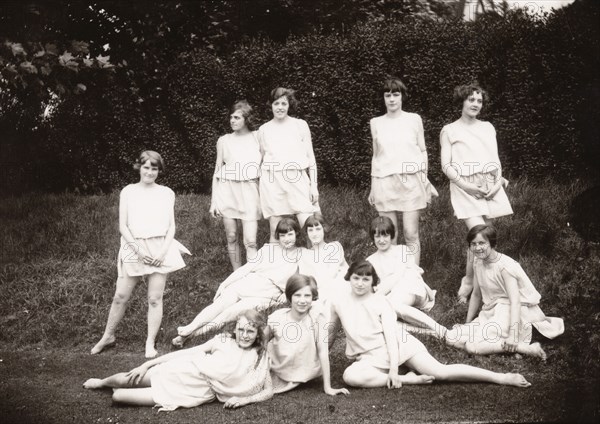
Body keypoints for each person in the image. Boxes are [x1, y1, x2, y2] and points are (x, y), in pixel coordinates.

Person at [330, 261, 532, 389]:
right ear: (349, 278)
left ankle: (501, 377)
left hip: (399, 346)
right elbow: (330, 332)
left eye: (366, 279)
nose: (360, 283)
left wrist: (393, 369)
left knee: (440, 372)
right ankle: (408, 379)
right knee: (350, 376)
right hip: (368, 356)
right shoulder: (338, 301)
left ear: (373, 282)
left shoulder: (382, 302)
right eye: (356, 278)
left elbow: (392, 338)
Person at [91, 151, 191, 358]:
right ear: (139, 167)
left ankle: (149, 343)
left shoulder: (167, 193)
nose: (150, 172)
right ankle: (108, 336)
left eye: (154, 168)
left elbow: (171, 227)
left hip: (160, 248)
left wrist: (163, 252)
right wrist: (138, 250)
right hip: (133, 246)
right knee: (120, 296)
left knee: (154, 298)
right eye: (146, 167)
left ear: (159, 171)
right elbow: (123, 226)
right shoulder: (128, 191)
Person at [84, 310, 273, 411]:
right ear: (235, 329)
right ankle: (101, 382)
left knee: (118, 397)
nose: (244, 335)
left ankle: (123, 390)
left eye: (250, 331)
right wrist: (147, 364)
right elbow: (187, 353)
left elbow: (268, 391)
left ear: (257, 334)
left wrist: (243, 401)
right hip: (185, 370)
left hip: (197, 391)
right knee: (126, 379)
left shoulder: (260, 357)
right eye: (241, 330)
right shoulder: (222, 341)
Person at [171, 217, 302, 348]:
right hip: (248, 283)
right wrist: (224, 284)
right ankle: (190, 327)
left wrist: (286, 294)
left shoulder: (301, 256)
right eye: (282, 235)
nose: (286, 239)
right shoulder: (268, 249)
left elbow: (299, 283)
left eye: (290, 234)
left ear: (296, 233)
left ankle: (189, 336)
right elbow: (245, 269)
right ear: (278, 237)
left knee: (227, 314)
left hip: (265, 294)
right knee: (219, 305)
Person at [445, 225, 564, 359]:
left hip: (511, 312)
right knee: (452, 337)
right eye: (473, 244)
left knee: (472, 345)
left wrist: (513, 335)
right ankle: (511, 347)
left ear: (492, 243)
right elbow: (476, 294)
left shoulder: (504, 267)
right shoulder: (477, 262)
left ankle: (524, 348)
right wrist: (468, 322)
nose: (478, 248)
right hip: (491, 311)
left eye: (482, 243)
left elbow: (515, 301)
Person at [440, 83, 512, 302]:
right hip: (465, 187)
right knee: (478, 232)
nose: (475, 104)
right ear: (462, 102)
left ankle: (486, 284)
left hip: (490, 184)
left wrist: (497, 183)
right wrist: (467, 186)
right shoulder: (449, 130)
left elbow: (495, 160)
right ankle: (469, 282)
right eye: (471, 99)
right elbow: (446, 166)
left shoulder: (488, 127)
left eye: (479, 101)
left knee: (485, 237)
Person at [368, 78, 438, 266]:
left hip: (411, 182)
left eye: (396, 94)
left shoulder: (414, 119)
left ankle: (413, 275)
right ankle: (391, 273)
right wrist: (373, 187)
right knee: (390, 233)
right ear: (383, 98)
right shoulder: (375, 122)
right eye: (387, 95)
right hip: (384, 182)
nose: (391, 99)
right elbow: (376, 157)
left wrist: (425, 180)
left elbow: (422, 151)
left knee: (410, 233)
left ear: (402, 96)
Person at [267, 274, 349, 396]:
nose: (302, 300)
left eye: (307, 296)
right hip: (278, 368)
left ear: (313, 297)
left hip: (304, 370)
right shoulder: (278, 317)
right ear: (290, 297)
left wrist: (328, 387)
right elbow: (260, 343)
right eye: (297, 295)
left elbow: (323, 351)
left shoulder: (316, 316)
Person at [367, 216, 445, 339]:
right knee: (380, 318)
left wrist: (380, 292)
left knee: (392, 305)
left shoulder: (402, 250)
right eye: (377, 236)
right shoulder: (370, 261)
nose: (381, 240)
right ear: (373, 237)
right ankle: (429, 333)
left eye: (385, 236)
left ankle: (440, 329)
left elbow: (400, 277)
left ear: (391, 236)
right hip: (392, 296)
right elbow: (372, 289)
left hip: (412, 290)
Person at [258, 87, 319, 242]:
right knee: (276, 232)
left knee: (310, 227)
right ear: (271, 105)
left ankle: (313, 264)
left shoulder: (300, 125)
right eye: (276, 103)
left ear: (289, 105)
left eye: (283, 103)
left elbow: (310, 157)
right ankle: (275, 265)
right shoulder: (263, 130)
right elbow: (261, 160)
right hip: (273, 182)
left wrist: (314, 185)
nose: (280, 107)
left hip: (297, 179)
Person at [210, 100, 262, 270]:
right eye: (231, 117)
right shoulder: (224, 140)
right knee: (231, 236)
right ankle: (237, 274)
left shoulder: (257, 137)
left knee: (251, 241)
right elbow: (217, 172)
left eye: (237, 117)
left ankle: (252, 274)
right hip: (227, 191)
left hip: (249, 191)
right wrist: (214, 202)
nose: (232, 120)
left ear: (246, 119)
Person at [298, 213, 349, 301]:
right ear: (307, 232)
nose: (314, 234)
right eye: (310, 230)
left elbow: (332, 274)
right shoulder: (305, 254)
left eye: (318, 229)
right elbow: (306, 279)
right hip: (320, 291)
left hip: (339, 286)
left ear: (324, 229)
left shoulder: (334, 247)